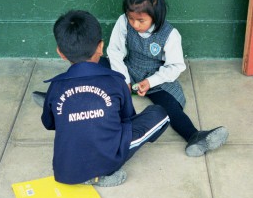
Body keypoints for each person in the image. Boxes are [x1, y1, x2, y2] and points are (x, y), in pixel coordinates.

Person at [33, 10, 170, 187]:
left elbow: (49, 124)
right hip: (109, 159)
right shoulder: (116, 81)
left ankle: (67, 113)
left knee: (71, 124)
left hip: (65, 169)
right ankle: (100, 175)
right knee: (159, 114)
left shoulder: (55, 87)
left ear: (61, 52)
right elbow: (126, 119)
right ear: (100, 46)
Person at [106, 0, 228, 157]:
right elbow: (115, 51)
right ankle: (57, 93)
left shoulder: (170, 35)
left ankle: (194, 137)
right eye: (131, 18)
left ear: (155, 13)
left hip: (157, 79)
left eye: (140, 20)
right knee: (94, 67)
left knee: (170, 107)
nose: (134, 24)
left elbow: (176, 66)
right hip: (129, 70)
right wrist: (123, 80)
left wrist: (151, 81)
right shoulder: (123, 21)